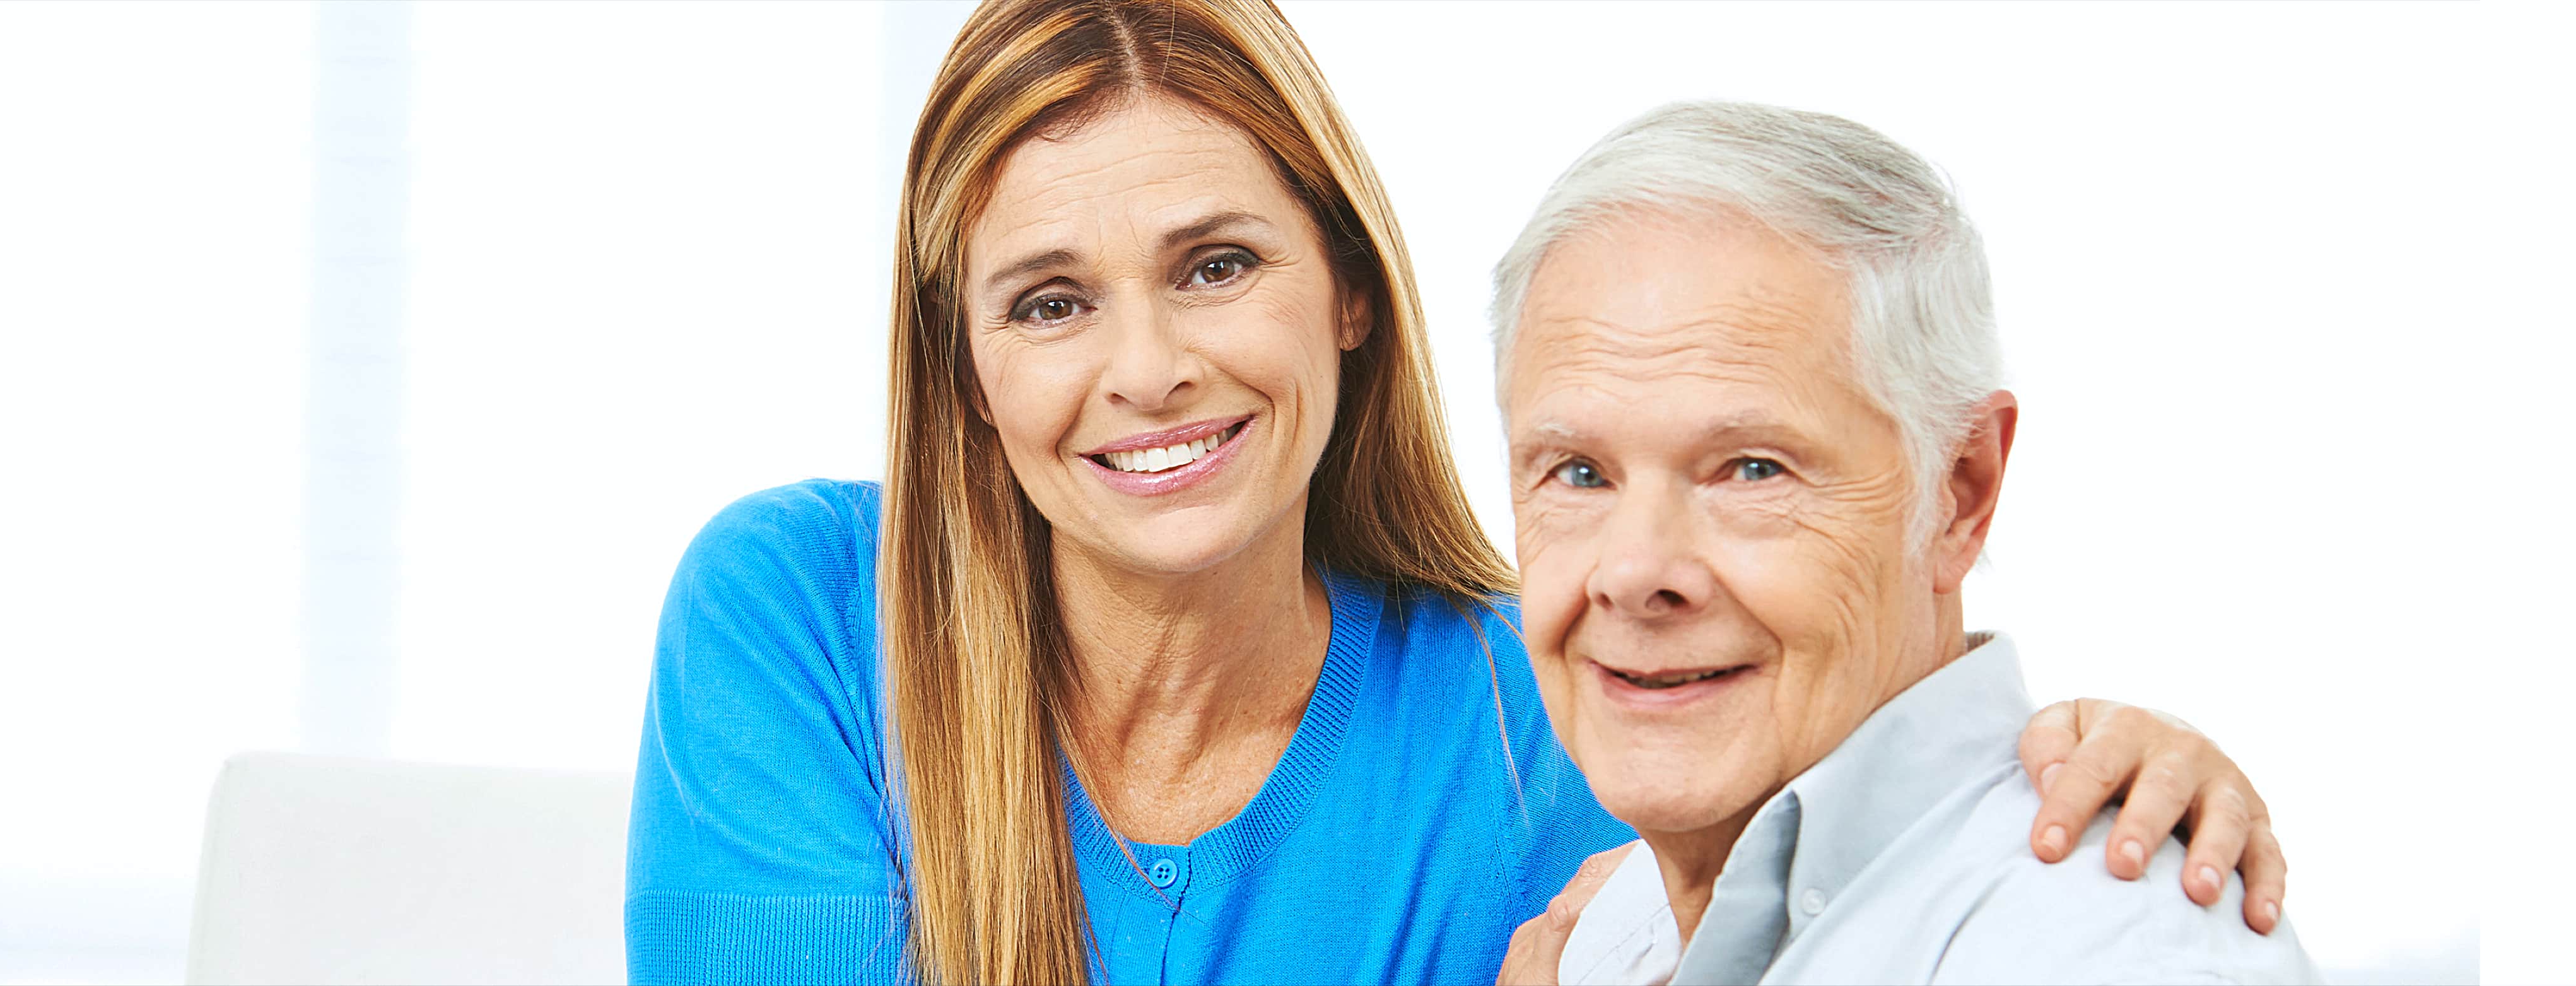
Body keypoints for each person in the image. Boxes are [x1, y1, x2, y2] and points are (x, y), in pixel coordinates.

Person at [625, 2, 2290, 982]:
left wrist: (2049, 747)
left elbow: (1849, 820)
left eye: (1214, 265)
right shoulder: (797, 619)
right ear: (966, 370)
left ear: (1347, 288)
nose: (1145, 368)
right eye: (1050, 301)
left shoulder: (1560, 714)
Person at [1496, 102, 2317, 985]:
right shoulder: (1608, 926)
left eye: (1751, 469)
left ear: (1959, 492)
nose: (1631, 572)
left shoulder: (2108, 948)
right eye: (1578, 473)